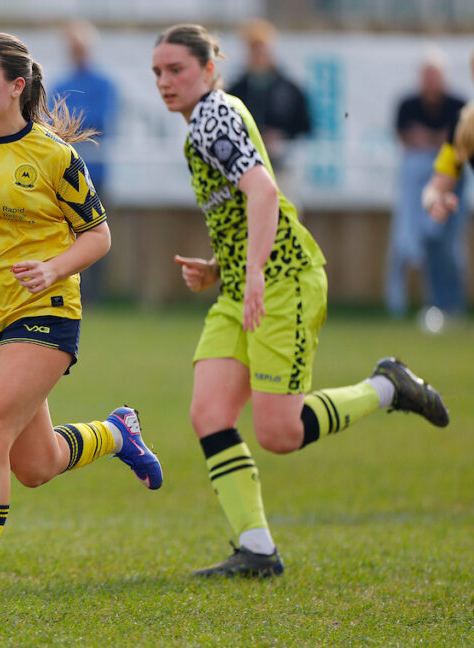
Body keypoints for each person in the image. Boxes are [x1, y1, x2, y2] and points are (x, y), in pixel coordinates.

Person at [152, 23, 450, 578]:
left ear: (209, 70)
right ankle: (257, 549)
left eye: (176, 70)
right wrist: (222, 267)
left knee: (280, 433)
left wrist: (255, 271)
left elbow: (264, 192)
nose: (164, 81)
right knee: (210, 413)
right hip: (245, 284)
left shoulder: (214, 117)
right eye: (157, 73)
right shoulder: (206, 121)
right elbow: (248, 206)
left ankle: (388, 386)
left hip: (283, 281)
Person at [0, 32, 162, 621]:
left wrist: (53, 268)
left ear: (16, 86)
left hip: (44, 313)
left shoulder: (55, 157)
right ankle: (117, 433)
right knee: (35, 465)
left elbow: (98, 236)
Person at [387, 48, 467, 325]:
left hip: (451, 182)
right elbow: (407, 137)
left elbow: (455, 144)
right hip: (424, 186)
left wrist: (432, 141)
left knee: (448, 245)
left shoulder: (459, 106)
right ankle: (433, 304)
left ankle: (452, 305)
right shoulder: (408, 105)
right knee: (421, 242)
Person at [52, 20, 119, 305]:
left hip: (94, 171)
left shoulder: (104, 84)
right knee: (64, 235)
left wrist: (69, 121)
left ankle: (93, 295)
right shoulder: (61, 84)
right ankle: (69, 289)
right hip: (63, 173)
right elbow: (52, 122)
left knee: (94, 232)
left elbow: (99, 121)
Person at [226, 19, 311, 173]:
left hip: (282, 163)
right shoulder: (236, 90)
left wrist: (281, 136)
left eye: (261, 49)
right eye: (253, 49)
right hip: (244, 166)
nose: (258, 56)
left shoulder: (289, 88)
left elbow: (305, 125)